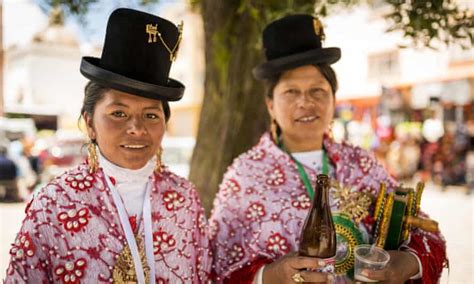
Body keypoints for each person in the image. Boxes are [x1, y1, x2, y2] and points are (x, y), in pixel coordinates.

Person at [209, 14, 447, 283]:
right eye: (291, 92)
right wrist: (269, 276)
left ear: (334, 99)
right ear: (271, 106)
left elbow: (426, 231)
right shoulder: (244, 175)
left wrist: (408, 262)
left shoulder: (360, 163)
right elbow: (218, 263)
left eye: (318, 91)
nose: (305, 102)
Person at [5, 8, 210, 283]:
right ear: (90, 123)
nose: (136, 128)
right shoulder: (52, 204)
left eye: (151, 115)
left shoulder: (184, 198)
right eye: (119, 113)